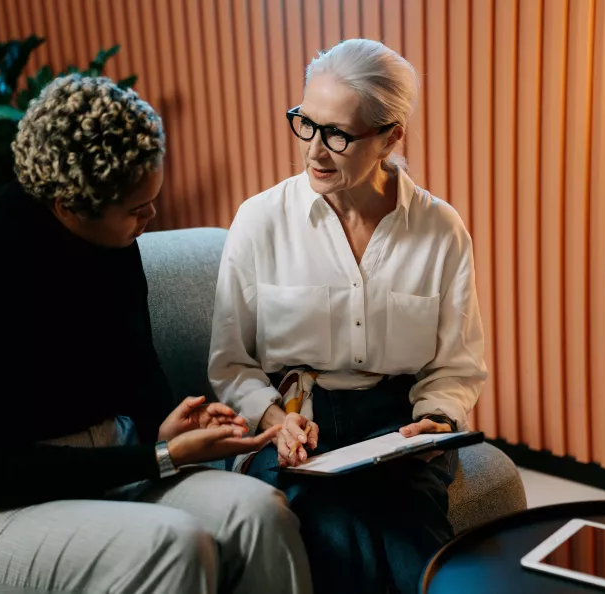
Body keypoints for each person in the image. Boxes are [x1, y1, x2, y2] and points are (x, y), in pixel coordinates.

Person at [0, 74, 312, 594]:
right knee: (174, 543)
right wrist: (160, 457)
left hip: (108, 468)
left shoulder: (116, 248)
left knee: (259, 512)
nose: (152, 216)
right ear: (69, 206)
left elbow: (139, 374)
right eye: (137, 209)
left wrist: (165, 427)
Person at [208, 39, 488, 594]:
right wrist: (272, 421)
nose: (315, 151)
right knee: (338, 535)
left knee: (419, 556)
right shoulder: (260, 221)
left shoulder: (440, 229)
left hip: (398, 421)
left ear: (390, 136)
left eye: (337, 134)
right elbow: (230, 363)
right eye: (306, 124)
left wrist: (437, 418)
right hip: (296, 420)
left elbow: (455, 366)